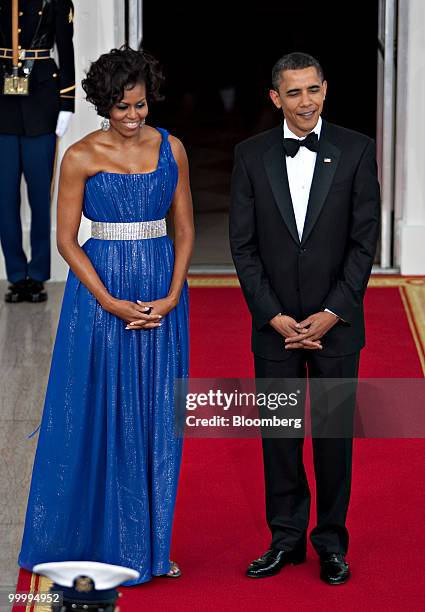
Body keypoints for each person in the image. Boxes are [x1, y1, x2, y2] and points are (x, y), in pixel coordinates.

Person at [18, 46, 194, 585]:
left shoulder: (172, 148)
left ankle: (152, 547)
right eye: (122, 108)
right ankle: (100, 537)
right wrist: (111, 302)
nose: (134, 117)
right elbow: (67, 242)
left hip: (164, 289)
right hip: (100, 297)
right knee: (100, 409)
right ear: (102, 104)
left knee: (158, 413)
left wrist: (170, 294)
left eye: (140, 105)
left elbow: (185, 228)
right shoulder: (78, 156)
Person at [229, 52, 380, 584]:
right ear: (275, 98)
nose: (305, 102)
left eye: (313, 90)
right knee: (280, 437)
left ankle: (332, 543)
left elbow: (364, 244)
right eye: (293, 93)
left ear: (325, 90)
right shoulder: (250, 156)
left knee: (333, 438)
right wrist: (272, 315)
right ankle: (286, 539)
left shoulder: (358, 151)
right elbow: (242, 247)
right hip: (274, 329)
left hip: (336, 327)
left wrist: (333, 311)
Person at [0, 0, 76, 303]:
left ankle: (39, 273)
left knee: (40, 195)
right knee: (5, 197)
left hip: (42, 100)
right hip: (3, 105)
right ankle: (16, 275)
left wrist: (67, 103)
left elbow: (65, 48)